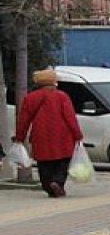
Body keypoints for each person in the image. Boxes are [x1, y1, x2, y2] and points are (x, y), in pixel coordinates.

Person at [14, 68, 83, 198]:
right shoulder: (62, 96)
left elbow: (23, 120)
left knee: (44, 164)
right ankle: (57, 182)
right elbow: (70, 117)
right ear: (53, 82)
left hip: (40, 136)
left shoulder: (30, 98)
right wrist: (77, 135)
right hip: (62, 136)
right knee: (63, 162)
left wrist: (19, 136)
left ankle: (49, 187)